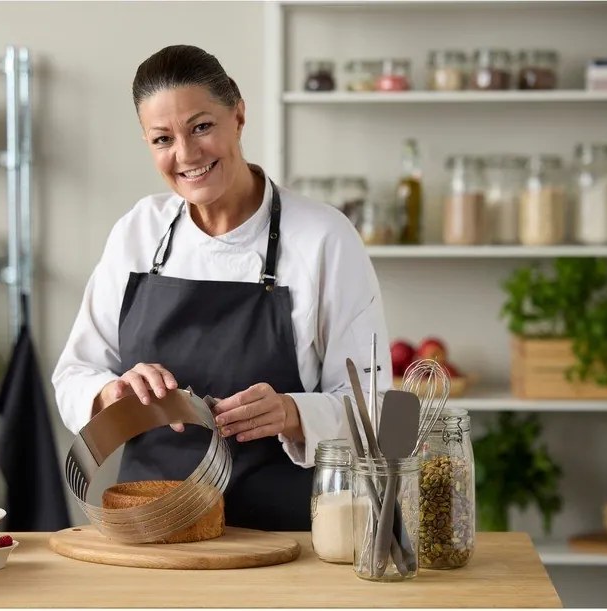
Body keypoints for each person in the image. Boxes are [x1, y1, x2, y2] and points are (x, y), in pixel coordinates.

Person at [52, 44, 391, 531]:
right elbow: (74, 373)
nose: (186, 155)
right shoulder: (137, 231)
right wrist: (113, 392)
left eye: (202, 127)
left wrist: (293, 412)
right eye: (162, 138)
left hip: (286, 538)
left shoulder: (323, 238)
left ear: (238, 115)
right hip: (153, 534)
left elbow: (374, 406)